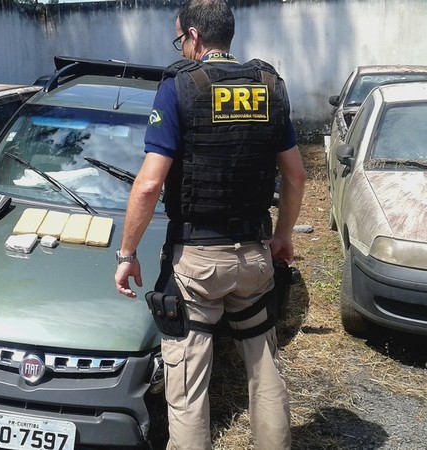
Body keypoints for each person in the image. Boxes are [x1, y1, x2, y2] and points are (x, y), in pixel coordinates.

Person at [113, 0, 306, 448]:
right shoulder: (270, 87)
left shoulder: (178, 89)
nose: (180, 48)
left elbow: (147, 185)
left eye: (180, 39)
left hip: (197, 265)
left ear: (195, 37)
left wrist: (126, 255)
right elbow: (296, 176)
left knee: (187, 390)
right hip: (255, 257)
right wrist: (281, 237)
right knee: (265, 370)